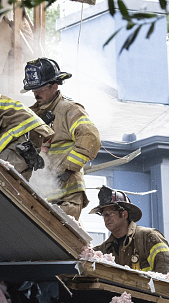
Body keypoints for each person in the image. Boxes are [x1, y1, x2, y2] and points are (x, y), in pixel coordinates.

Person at [24, 58, 101, 220]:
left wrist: (67, 171)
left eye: (40, 89)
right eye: (33, 89)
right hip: (40, 193)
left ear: (54, 86)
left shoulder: (69, 110)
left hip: (67, 195)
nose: (36, 94)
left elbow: (90, 138)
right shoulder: (31, 114)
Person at [92, 186, 169, 276]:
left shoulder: (149, 237)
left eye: (110, 213)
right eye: (104, 215)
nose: (106, 218)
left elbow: (168, 271)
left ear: (124, 214)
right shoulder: (103, 250)